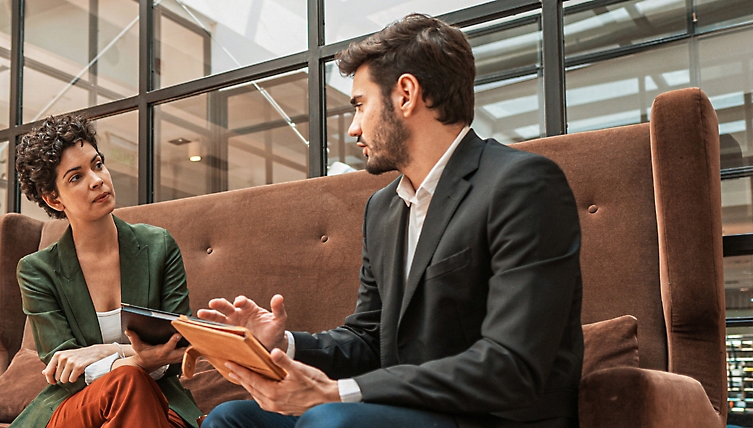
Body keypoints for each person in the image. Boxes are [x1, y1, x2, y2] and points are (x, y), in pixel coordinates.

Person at [199, 13, 582, 428]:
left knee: (332, 422)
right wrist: (283, 345)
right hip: (403, 412)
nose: (353, 129)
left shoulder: (522, 184)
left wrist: (339, 393)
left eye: (360, 106)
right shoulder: (382, 208)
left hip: (492, 418)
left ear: (405, 94)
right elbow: (368, 339)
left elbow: (510, 363)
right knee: (232, 418)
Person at [10, 114, 202, 428]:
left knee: (132, 385)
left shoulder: (158, 246)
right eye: (76, 177)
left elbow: (180, 345)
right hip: (78, 408)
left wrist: (109, 349)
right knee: (128, 378)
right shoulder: (37, 271)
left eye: (97, 165)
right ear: (53, 199)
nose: (97, 179)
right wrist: (136, 359)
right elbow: (67, 372)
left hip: (159, 403)